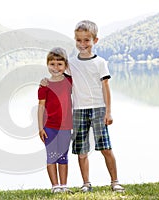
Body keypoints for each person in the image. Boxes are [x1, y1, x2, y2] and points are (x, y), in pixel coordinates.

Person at [70, 20, 125, 192]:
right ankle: (86, 183)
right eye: (79, 40)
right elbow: (60, 81)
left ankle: (114, 181)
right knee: (82, 149)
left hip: (98, 109)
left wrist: (108, 111)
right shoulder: (71, 63)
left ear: (95, 40)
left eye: (87, 40)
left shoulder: (100, 62)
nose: (82, 44)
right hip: (79, 110)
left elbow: (106, 88)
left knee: (105, 147)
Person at [37, 47, 73, 193]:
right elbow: (40, 107)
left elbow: (76, 74)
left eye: (60, 64)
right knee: (51, 156)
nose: (56, 67)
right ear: (47, 65)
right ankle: (55, 186)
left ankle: (64, 186)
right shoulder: (44, 85)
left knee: (63, 156)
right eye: (52, 64)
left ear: (65, 66)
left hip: (65, 127)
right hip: (49, 127)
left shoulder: (69, 81)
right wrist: (40, 128)